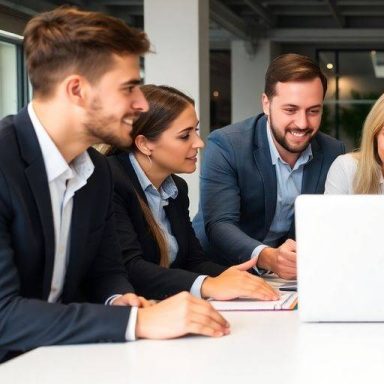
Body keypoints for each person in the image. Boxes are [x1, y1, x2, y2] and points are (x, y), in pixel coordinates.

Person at [0, 7, 229, 361]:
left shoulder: (97, 171)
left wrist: (120, 299)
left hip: (60, 358)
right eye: (128, 88)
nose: (140, 104)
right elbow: (4, 316)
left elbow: (106, 272)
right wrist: (138, 321)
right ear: (76, 90)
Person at [106, 85, 280, 301]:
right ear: (144, 144)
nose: (199, 142)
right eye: (184, 136)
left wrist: (238, 278)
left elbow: (194, 262)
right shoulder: (110, 181)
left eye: (195, 131)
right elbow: (130, 269)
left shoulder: (177, 188)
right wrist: (208, 284)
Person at [192, 54, 346, 280]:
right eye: (290, 110)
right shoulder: (227, 145)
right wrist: (268, 257)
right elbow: (219, 225)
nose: (302, 123)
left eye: (313, 111)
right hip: (221, 270)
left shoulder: (333, 152)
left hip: (288, 277)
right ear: (266, 103)